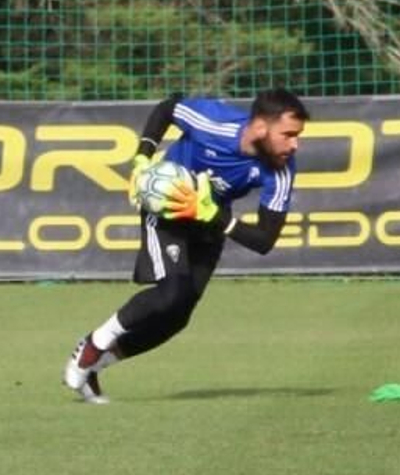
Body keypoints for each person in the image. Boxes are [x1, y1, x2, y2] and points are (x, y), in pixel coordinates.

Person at [62, 88, 309, 403]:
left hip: (209, 219)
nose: (295, 144)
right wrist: (141, 158)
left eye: (298, 136)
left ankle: (96, 365)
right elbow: (167, 108)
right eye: (288, 134)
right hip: (165, 208)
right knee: (171, 293)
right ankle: (95, 344)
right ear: (260, 126)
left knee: (177, 317)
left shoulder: (282, 169)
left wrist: (210, 214)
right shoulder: (212, 122)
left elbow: (264, 240)